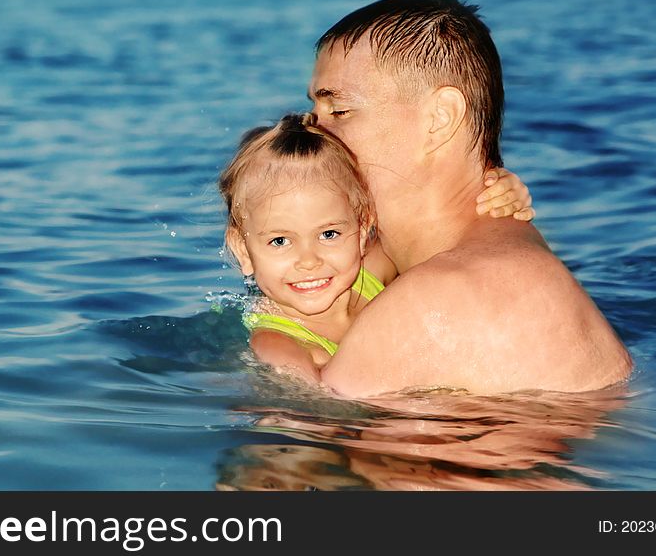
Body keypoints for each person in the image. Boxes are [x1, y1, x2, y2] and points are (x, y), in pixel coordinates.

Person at [301, 0, 632, 396]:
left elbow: (297, 443)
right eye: (313, 115)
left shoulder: (432, 301)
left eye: (340, 112)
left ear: (439, 120)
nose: (311, 135)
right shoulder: (501, 249)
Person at [219, 113, 534, 379]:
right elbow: (321, 419)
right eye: (280, 241)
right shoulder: (279, 347)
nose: (309, 260)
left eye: (328, 234)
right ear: (243, 250)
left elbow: (444, 232)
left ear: (361, 230)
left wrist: (494, 194)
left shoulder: (372, 271)